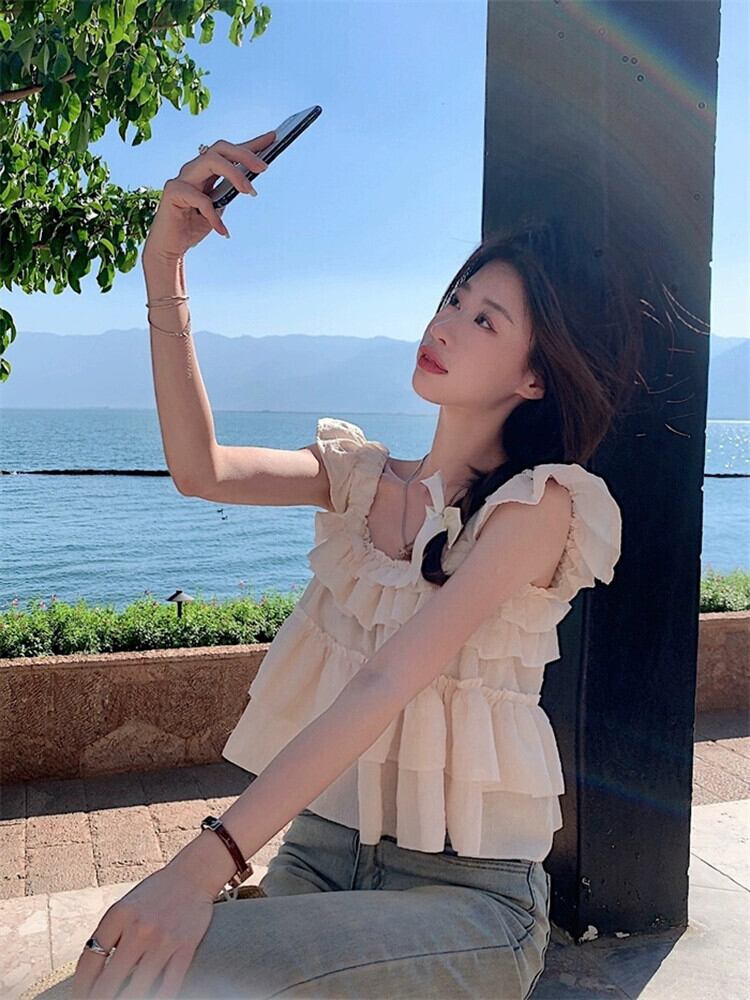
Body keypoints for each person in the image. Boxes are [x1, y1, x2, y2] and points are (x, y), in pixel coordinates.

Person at [38, 130, 642, 1000]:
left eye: (485, 320)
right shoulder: (359, 480)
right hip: (320, 858)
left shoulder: (538, 507)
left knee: (142, 978)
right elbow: (200, 469)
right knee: (123, 972)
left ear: (536, 378)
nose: (445, 324)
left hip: (467, 899)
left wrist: (200, 866)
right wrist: (163, 265)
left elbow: (386, 679)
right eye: (454, 298)